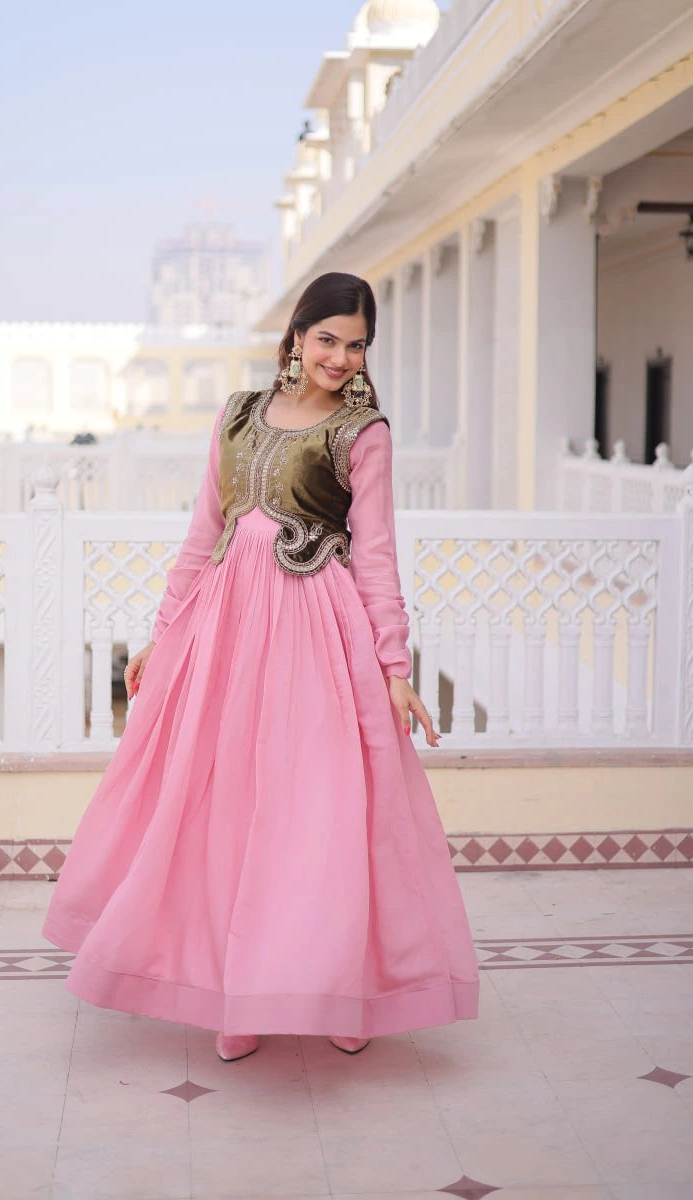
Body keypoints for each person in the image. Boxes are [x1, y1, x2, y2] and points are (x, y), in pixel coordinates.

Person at [42, 271, 480, 1062]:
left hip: (318, 636)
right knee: (231, 811)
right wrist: (164, 633)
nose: (340, 358)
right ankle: (236, 992)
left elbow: (376, 557)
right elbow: (203, 534)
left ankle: (340, 989)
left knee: (322, 814)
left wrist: (394, 664)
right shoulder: (238, 415)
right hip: (228, 635)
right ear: (294, 337)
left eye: (355, 344)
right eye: (326, 339)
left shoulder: (364, 433)